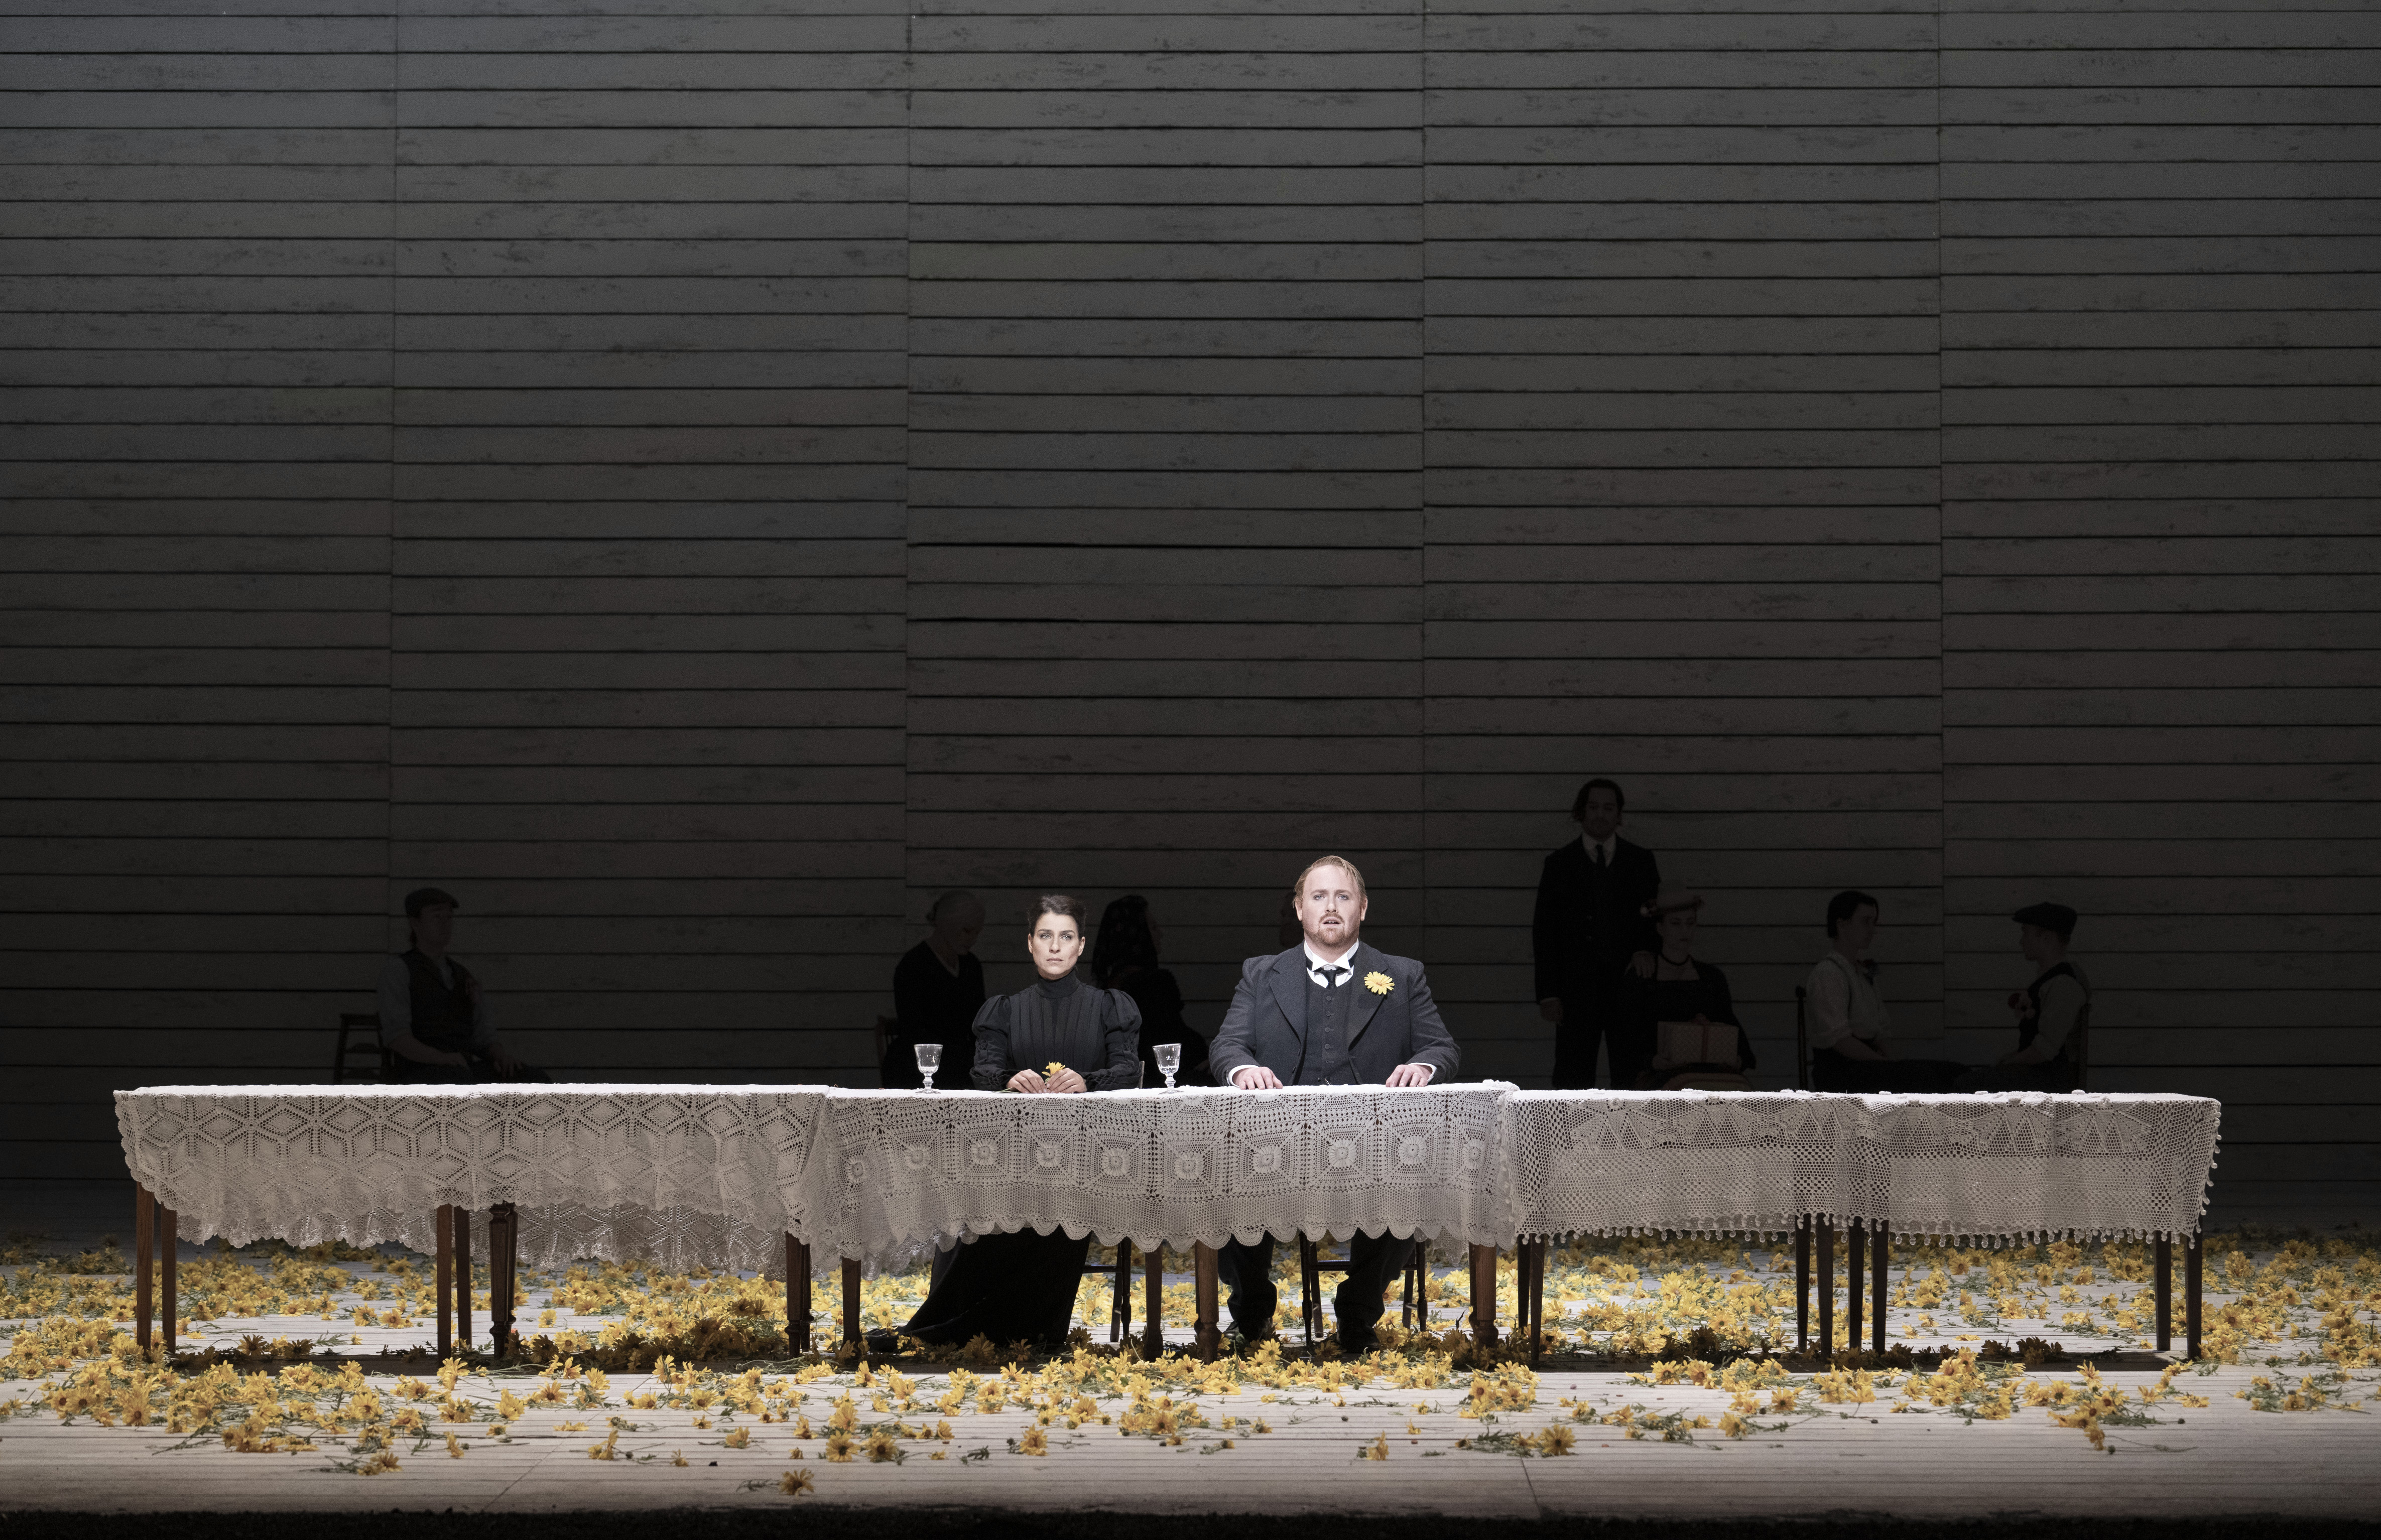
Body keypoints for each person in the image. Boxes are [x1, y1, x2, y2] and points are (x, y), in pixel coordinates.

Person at [1209, 856, 1461, 1352]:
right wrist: (1243, 1069)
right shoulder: (1261, 974)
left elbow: (1443, 1047)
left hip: (1371, 1147)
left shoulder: (1403, 976)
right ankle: (1253, 1308)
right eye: (1319, 897)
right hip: (1276, 1146)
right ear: (1300, 908)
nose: (1331, 907)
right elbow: (1227, 1045)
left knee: (1408, 1179)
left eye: (1343, 896)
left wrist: (1423, 1067)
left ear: (1362, 908)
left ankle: (1358, 1311)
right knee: (1222, 1176)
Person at [892, 895, 1141, 1350]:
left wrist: (1087, 1081)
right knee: (980, 1197)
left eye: (1066, 937)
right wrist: (1010, 1079)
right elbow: (982, 1072)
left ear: (1081, 946)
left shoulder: (1109, 1007)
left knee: (1046, 1200)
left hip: (1083, 1161)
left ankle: (1014, 1329)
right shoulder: (1005, 1009)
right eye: (1045, 936)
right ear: (1030, 944)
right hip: (1014, 1157)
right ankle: (957, 1325)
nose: (1054, 947)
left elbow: (1127, 1072)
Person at [1532, 778, 1662, 1088]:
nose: (1601, 814)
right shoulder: (1559, 864)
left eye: (1608, 807)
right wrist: (1548, 993)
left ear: (1619, 814)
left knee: (1632, 1072)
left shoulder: (1641, 861)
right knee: (1572, 1076)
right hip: (1575, 989)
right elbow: (1545, 930)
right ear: (1581, 812)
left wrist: (1645, 949)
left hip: (1628, 986)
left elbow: (1655, 916)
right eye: (1593, 807)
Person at [377, 887, 546, 1083]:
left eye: (449, 918)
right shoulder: (399, 970)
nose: (445, 924)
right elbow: (398, 1038)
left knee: (532, 1078)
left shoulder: (461, 975)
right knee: (459, 1080)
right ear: (415, 923)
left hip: (460, 1066)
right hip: (419, 1070)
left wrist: (500, 1055)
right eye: (436, 917)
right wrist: (440, 1059)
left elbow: (482, 1035)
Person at [1803, 890, 1961, 1093]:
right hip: (1842, 1070)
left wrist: (1892, 1061)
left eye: (1874, 923)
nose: (1872, 930)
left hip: (1868, 1063)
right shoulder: (1829, 973)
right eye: (1865, 922)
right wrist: (1885, 1063)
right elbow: (1840, 1041)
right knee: (1923, 1077)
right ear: (1842, 925)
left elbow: (1880, 1030)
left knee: (1952, 1073)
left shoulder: (1861, 972)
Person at [1612, 891, 1753, 1088]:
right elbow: (1625, 1036)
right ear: (1660, 928)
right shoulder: (1642, 978)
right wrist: (1652, 1061)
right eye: (1676, 923)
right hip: (1659, 1074)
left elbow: (1728, 1022)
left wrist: (1736, 1057)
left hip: (1710, 1071)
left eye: (1690, 923)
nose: (1684, 931)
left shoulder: (1711, 977)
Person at [1955, 904, 2091, 1093]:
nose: (2021, 942)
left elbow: (2045, 1050)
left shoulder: (2064, 985)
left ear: (2046, 937)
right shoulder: (2050, 980)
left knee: (1965, 1085)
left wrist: (2008, 1063)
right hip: (2035, 1075)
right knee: (1956, 1075)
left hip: (2046, 1081)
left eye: (2026, 933)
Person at [1091, 894, 1211, 1088]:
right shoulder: (1153, 983)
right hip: (1158, 1083)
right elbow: (1169, 1040)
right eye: (1153, 928)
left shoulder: (1109, 984)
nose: (1160, 933)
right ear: (1138, 933)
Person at [887, 890, 987, 1088]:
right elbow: (913, 1029)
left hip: (961, 1061)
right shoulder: (913, 965)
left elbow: (979, 1021)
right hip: (918, 1063)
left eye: (977, 932)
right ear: (946, 925)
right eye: (967, 931)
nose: (973, 939)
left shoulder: (971, 965)